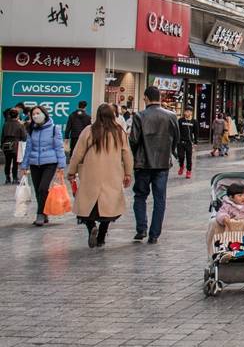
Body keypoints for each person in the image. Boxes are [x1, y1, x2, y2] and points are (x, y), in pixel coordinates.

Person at [67, 104, 133, 248]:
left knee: (86, 206)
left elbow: (77, 153)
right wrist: (128, 173)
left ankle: (91, 227)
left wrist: (71, 171)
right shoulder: (119, 132)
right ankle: (102, 236)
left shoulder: (89, 130)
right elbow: (126, 154)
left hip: (91, 174)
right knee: (108, 208)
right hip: (112, 174)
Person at [129, 86, 180, 244]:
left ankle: (141, 228)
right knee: (160, 199)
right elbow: (176, 138)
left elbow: (133, 140)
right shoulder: (171, 116)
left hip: (143, 164)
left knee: (140, 196)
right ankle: (154, 234)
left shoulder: (139, 116)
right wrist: (169, 151)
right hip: (163, 164)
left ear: (146, 98)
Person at [19, 105, 66, 227]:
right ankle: (45, 213)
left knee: (43, 188)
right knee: (37, 191)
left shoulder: (54, 128)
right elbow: (28, 148)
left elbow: (59, 147)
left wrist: (61, 165)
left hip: (50, 163)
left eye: (38, 113)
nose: (35, 116)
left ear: (44, 114)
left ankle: (39, 214)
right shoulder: (31, 129)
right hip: (35, 163)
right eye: (33, 114)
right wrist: (24, 166)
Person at [2, 108, 27, 184]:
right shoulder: (20, 125)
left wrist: (2, 145)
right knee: (15, 163)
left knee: (7, 162)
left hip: (6, 145)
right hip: (16, 145)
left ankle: (7, 178)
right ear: (18, 115)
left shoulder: (5, 124)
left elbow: (2, 136)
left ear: (9, 115)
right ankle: (15, 178)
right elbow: (24, 137)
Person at [176, 107, 196, 177]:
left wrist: (195, 142)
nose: (186, 113)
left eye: (188, 111)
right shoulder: (180, 120)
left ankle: (189, 171)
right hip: (180, 142)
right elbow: (177, 131)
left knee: (189, 158)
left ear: (191, 112)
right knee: (180, 156)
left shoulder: (194, 121)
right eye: (185, 111)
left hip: (189, 143)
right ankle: (181, 166)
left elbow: (196, 132)